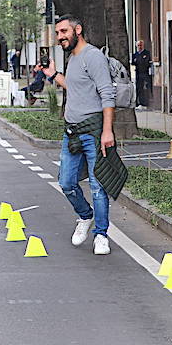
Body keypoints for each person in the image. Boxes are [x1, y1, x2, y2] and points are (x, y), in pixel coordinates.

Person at [41, 15, 117, 256]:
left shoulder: (93, 56)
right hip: (72, 132)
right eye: (58, 33)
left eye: (64, 31)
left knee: (97, 186)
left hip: (94, 131)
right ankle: (85, 216)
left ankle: (101, 235)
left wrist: (107, 130)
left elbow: (107, 94)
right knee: (66, 182)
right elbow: (75, 87)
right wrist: (53, 74)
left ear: (78, 30)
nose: (60, 37)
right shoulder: (73, 58)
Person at [131, 40, 152, 109]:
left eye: (141, 45)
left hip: (145, 73)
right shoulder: (135, 54)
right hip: (138, 73)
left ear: (143, 46)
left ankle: (145, 103)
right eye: (138, 45)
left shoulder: (147, 53)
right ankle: (138, 103)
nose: (139, 47)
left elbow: (146, 62)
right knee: (138, 88)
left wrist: (140, 61)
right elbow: (133, 63)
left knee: (145, 88)